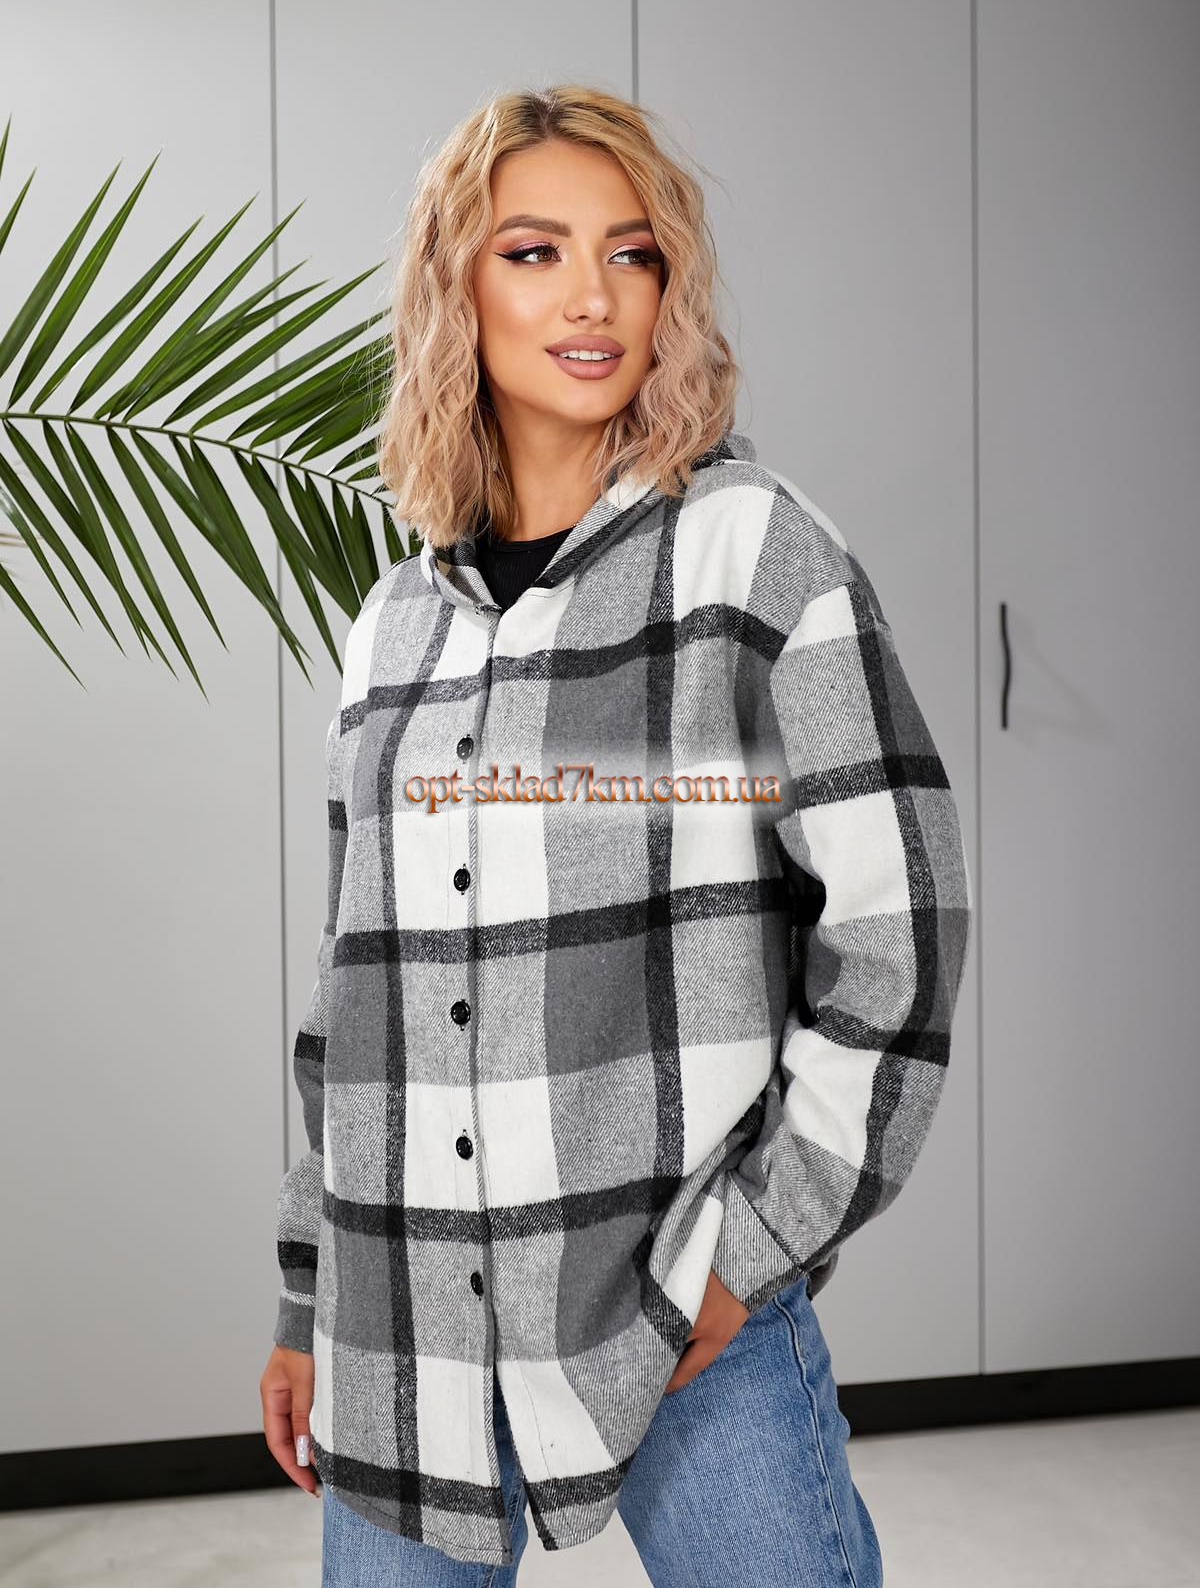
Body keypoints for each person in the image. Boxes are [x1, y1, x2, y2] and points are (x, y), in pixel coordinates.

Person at [260, 82, 972, 1586]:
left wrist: (750, 1252)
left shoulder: (754, 553)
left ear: (670, 291)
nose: (591, 296)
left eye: (630, 254)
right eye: (534, 252)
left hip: (673, 1293)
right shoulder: (391, 628)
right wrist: (306, 1300)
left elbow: (898, 930)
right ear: (456, 290)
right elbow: (354, 1001)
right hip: (401, 1329)